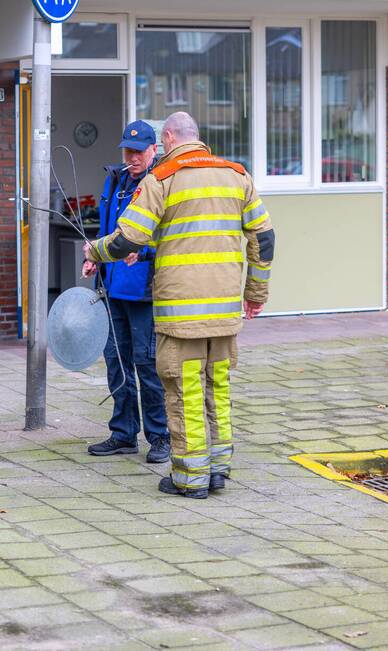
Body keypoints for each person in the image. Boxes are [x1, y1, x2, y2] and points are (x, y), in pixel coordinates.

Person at [83, 112, 275, 499]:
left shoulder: (163, 179)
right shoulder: (238, 176)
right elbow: (265, 239)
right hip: (223, 312)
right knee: (216, 388)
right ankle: (218, 468)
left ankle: (189, 478)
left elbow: (128, 239)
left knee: (183, 391)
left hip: (181, 314)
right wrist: (255, 294)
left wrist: (96, 250)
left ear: (168, 138)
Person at [82, 120, 171, 464]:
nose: (132, 157)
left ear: (153, 150)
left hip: (144, 290)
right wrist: (96, 261)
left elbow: (167, 239)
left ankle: (160, 437)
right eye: (127, 150)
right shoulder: (116, 179)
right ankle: (123, 434)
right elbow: (109, 231)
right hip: (111, 287)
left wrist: (144, 252)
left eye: (138, 151)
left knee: (146, 365)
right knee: (116, 362)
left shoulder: (160, 183)